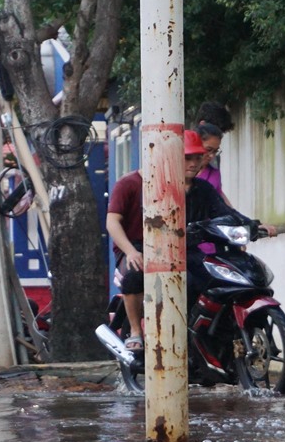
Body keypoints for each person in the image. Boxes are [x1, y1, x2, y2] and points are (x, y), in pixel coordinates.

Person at [106, 130, 274, 353]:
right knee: (136, 275)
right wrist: (130, 252)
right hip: (139, 247)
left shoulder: (201, 188)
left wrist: (253, 226)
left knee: (211, 279)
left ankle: (205, 336)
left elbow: (226, 212)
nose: (194, 163)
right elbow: (112, 222)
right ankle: (136, 332)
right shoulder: (131, 184)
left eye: (197, 157)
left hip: (184, 248)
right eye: (187, 158)